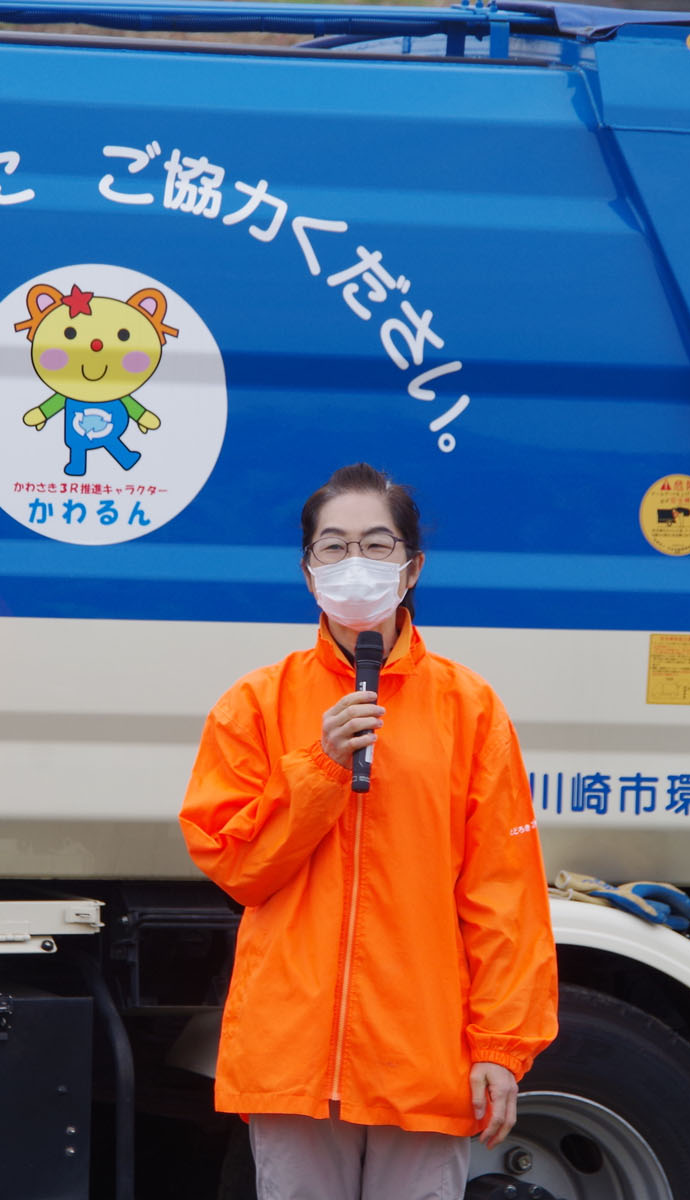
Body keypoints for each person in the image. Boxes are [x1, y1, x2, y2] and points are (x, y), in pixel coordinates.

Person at [179, 463, 558, 1200]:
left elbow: (503, 894)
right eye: (334, 545)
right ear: (307, 570)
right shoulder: (256, 704)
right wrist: (320, 765)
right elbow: (236, 865)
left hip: (422, 1054)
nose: (355, 563)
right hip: (292, 1054)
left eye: (377, 545)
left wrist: (501, 1048)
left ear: (412, 567)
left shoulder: (469, 708)